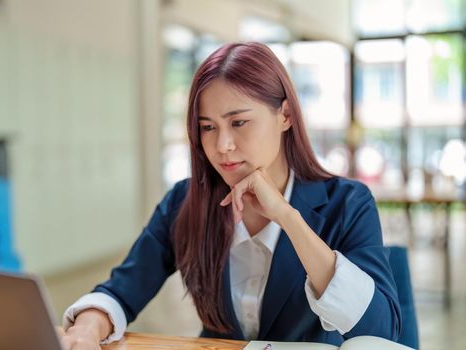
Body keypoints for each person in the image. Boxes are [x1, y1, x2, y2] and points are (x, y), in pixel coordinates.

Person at [61, 42, 400, 349]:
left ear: (285, 115)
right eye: (208, 127)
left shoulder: (347, 203)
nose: (222, 146)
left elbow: (379, 332)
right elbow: (124, 288)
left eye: (238, 123)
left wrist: (287, 217)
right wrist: (89, 324)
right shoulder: (185, 201)